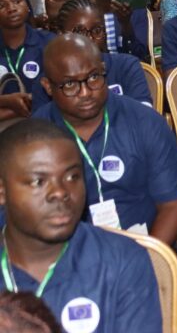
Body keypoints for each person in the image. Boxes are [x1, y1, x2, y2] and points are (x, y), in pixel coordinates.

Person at [0, 119, 163, 330]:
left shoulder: (122, 260)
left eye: (72, 177)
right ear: (2, 191)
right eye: (39, 181)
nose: (60, 192)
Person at [33, 34, 177, 243]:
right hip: (67, 253)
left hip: (144, 244)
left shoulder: (146, 123)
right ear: (48, 86)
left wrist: (147, 259)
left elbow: (172, 205)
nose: (85, 92)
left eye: (93, 77)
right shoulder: (34, 139)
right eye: (69, 84)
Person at [56, 0, 151, 104]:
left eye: (97, 30)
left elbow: (144, 111)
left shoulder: (126, 66)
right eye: (80, 32)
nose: (90, 38)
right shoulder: (53, 76)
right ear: (61, 35)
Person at [0, 0, 54, 116]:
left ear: (28, 6)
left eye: (17, 1)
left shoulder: (50, 43)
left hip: (45, 122)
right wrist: (6, 101)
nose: (11, 8)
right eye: (2, 5)